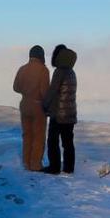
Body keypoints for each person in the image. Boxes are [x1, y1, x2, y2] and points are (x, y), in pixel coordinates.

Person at [12, 45, 50, 171]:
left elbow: (16, 87)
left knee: (27, 134)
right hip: (38, 106)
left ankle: (26, 162)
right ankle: (35, 165)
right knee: (38, 136)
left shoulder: (22, 69)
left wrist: (26, 90)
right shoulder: (43, 70)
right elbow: (45, 92)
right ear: (41, 55)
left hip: (24, 105)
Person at [41, 44, 78, 174]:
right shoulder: (71, 72)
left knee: (52, 141)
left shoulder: (59, 71)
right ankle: (69, 168)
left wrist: (44, 104)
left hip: (58, 114)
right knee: (68, 143)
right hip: (70, 114)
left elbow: (52, 91)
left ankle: (54, 167)